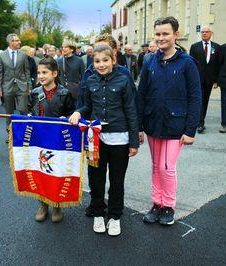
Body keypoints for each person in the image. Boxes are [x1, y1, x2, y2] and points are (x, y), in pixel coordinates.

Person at [69, 44, 139, 236]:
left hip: (119, 138)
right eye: (97, 61)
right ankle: (98, 212)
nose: (101, 65)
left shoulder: (124, 80)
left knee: (117, 179)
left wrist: (133, 141)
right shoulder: (90, 81)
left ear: (113, 60)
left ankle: (115, 216)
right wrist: (77, 112)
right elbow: (86, 106)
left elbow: (131, 112)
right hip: (95, 139)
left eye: (105, 60)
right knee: (96, 178)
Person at [138, 17, 201, 225]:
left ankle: (168, 207)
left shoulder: (187, 62)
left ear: (176, 34)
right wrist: (139, 126)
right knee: (156, 166)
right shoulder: (149, 61)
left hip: (176, 125)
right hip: (153, 123)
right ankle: (156, 204)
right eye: (158, 34)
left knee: (167, 167)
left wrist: (190, 130)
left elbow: (195, 97)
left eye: (165, 34)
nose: (161, 38)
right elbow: (141, 94)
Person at [28, 57, 75, 223]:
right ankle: (43, 204)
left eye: (45, 72)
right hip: (39, 140)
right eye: (39, 72)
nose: (41, 75)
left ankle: (56, 204)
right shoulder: (34, 93)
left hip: (58, 141)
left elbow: (72, 113)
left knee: (56, 171)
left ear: (54, 73)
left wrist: (67, 118)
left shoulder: (65, 93)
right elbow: (29, 112)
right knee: (40, 171)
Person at [0, 33, 31, 140]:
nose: (19, 42)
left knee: (23, 109)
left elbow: (27, 71)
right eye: (17, 40)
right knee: (9, 113)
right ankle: (10, 135)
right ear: (11, 42)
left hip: (22, 86)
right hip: (7, 87)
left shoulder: (23, 55)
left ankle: (26, 134)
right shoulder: (1, 55)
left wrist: (29, 85)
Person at [189, 25, 221, 134]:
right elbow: (191, 64)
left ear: (211, 34)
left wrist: (216, 81)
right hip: (197, 79)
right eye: (202, 32)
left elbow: (218, 65)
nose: (204, 34)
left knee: (205, 100)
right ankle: (199, 123)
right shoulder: (195, 47)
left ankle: (201, 121)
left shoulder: (217, 47)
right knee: (199, 100)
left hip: (210, 80)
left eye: (207, 32)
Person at [57, 39, 85, 105]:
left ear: (72, 49)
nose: (63, 49)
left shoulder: (79, 60)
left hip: (75, 91)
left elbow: (83, 76)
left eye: (66, 47)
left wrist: (80, 88)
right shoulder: (59, 60)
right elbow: (57, 75)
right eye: (63, 47)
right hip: (61, 90)